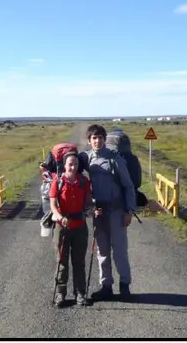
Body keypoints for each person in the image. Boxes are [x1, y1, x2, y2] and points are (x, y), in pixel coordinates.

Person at [78, 124, 136, 301]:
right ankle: (106, 286)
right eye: (94, 138)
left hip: (117, 212)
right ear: (89, 141)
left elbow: (128, 185)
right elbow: (69, 164)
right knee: (102, 251)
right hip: (99, 213)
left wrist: (129, 211)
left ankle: (124, 286)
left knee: (119, 251)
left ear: (104, 140)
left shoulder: (114, 158)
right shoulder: (86, 158)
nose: (97, 141)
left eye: (100, 137)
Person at [49, 152, 92, 307]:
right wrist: (60, 218)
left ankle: (80, 294)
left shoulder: (84, 181)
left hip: (80, 226)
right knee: (62, 262)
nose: (73, 167)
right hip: (62, 227)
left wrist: (93, 209)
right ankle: (60, 294)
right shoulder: (58, 181)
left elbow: (88, 203)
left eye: (75, 164)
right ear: (64, 165)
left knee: (79, 262)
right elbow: (53, 206)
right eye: (70, 164)